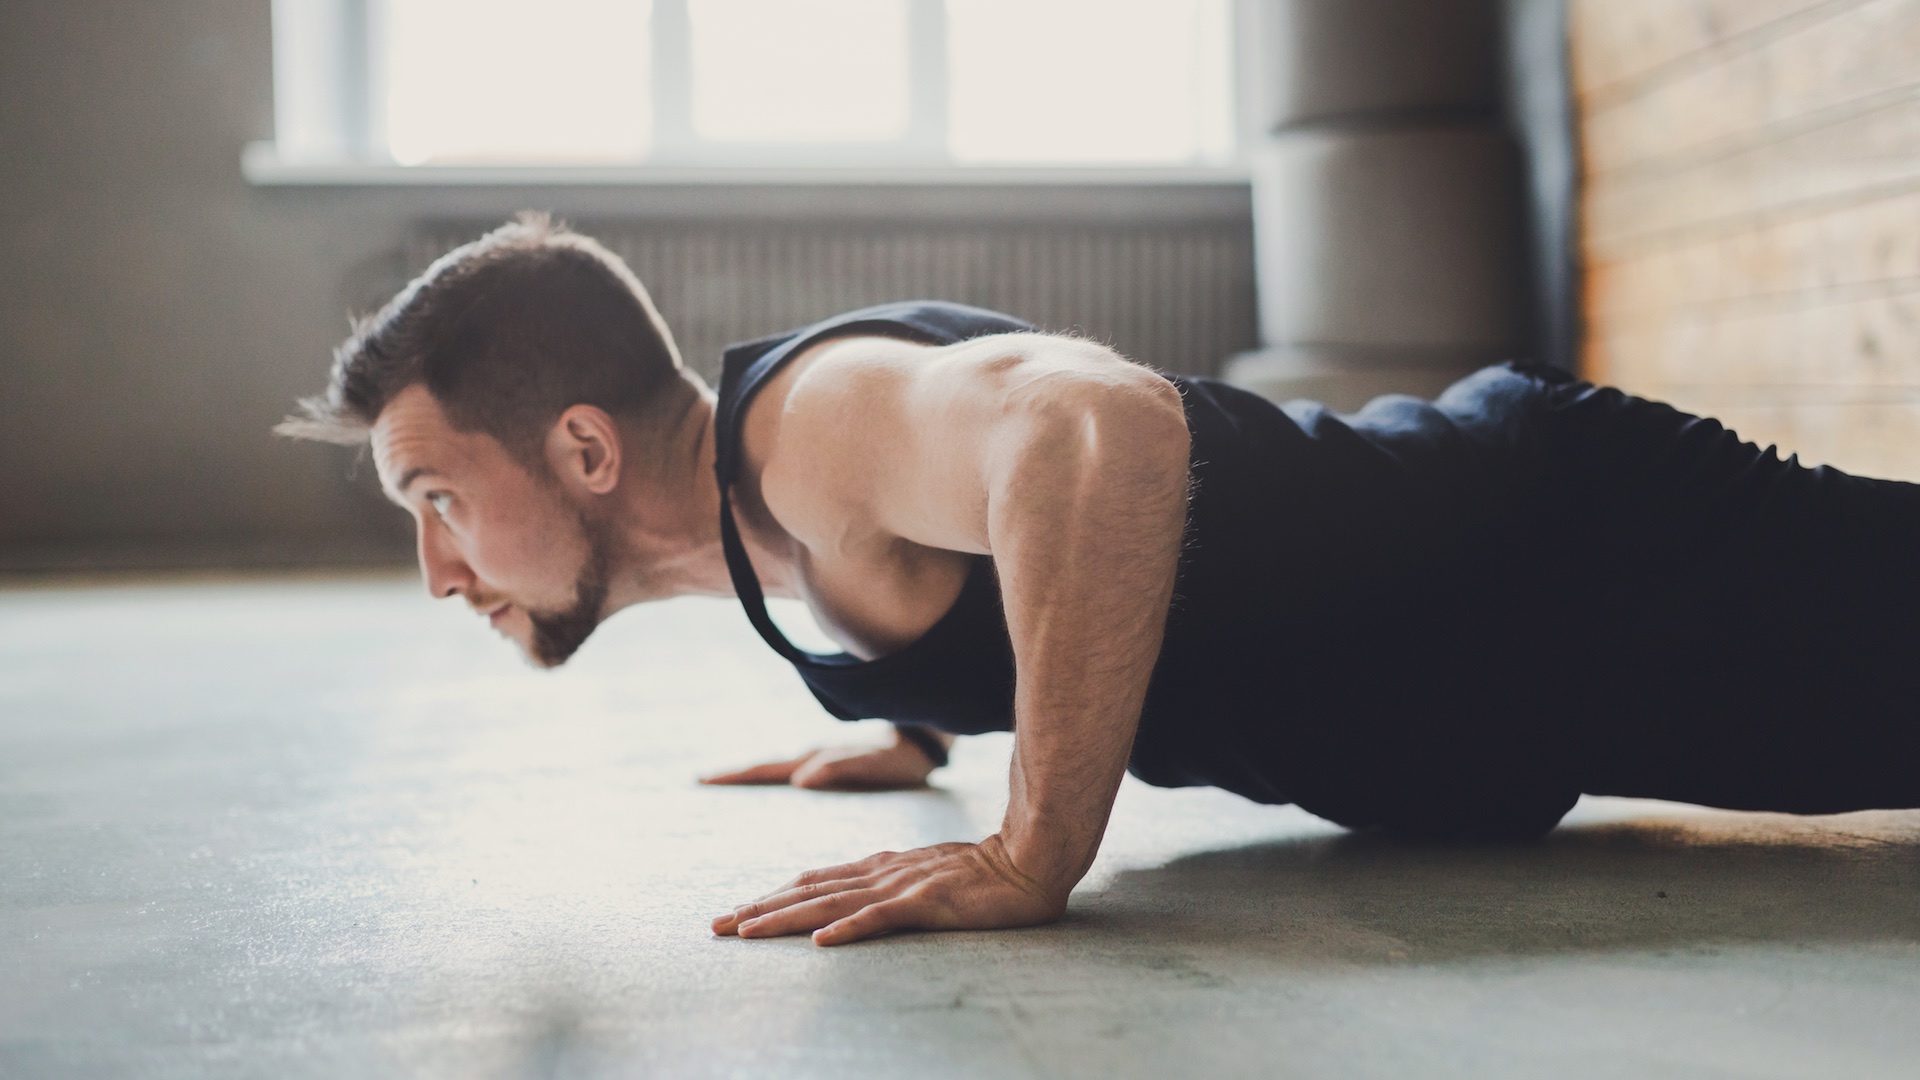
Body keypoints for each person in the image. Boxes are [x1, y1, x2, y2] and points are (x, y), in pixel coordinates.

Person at [280, 214, 1920, 946]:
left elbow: (1100, 430)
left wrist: (1032, 847)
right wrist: (914, 729)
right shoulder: (758, 529)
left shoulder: (813, 426)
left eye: (435, 496)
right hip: (1530, 695)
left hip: (1576, 563)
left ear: (580, 452)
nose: (435, 570)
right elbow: (957, 564)